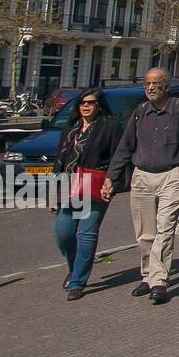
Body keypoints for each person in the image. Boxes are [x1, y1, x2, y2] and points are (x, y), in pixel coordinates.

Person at [102, 68, 179, 305]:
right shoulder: (140, 112)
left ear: (166, 86)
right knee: (145, 233)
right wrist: (111, 177)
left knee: (165, 228)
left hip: (174, 174)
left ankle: (159, 281)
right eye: (147, 83)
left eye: (156, 83)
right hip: (143, 176)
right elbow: (125, 147)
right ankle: (147, 275)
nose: (151, 87)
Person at [52, 88, 122, 301]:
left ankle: (77, 282)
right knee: (63, 233)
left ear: (99, 106)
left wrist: (112, 180)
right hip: (69, 186)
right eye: (82, 103)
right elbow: (60, 161)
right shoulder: (71, 129)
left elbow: (119, 156)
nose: (85, 106)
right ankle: (74, 269)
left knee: (86, 233)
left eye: (90, 103)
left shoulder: (110, 127)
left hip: (94, 186)